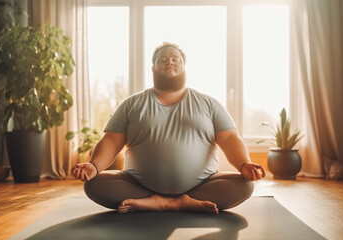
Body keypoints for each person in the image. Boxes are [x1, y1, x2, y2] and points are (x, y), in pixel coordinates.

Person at [71, 42, 266, 214]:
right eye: (163, 59)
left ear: (184, 68)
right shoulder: (132, 104)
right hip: (138, 185)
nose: (170, 62)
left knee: (244, 186)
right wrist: (94, 166)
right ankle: (169, 202)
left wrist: (244, 164)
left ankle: (169, 202)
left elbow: (230, 138)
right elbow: (111, 142)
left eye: (175, 59)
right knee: (94, 184)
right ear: (154, 68)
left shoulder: (209, 104)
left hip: (201, 186)